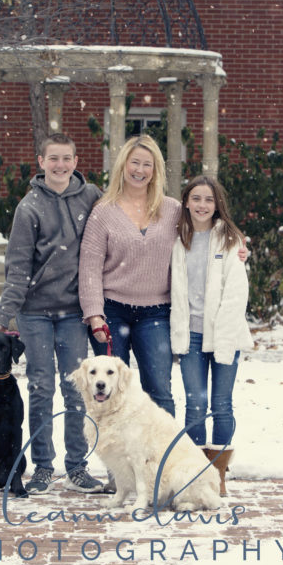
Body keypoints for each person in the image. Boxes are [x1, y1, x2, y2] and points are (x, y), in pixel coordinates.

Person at [0, 133, 105, 495]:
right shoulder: (29, 208)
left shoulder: (92, 197)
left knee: (76, 391)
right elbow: (18, 267)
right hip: (35, 314)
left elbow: (124, 227)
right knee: (40, 390)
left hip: (74, 313)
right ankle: (41, 467)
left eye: (66, 158)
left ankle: (78, 466)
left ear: (75, 159)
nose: (60, 165)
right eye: (53, 159)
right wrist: (2, 318)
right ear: (41, 162)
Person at [78, 135, 181, 416]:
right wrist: (94, 314)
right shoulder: (103, 212)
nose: (140, 169)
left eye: (147, 164)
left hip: (156, 313)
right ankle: (119, 458)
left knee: (159, 390)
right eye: (134, 162)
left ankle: (163, 455)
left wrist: (235, 246)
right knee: (110, 393)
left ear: (155, 169)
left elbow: (205, 234)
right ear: (123, 165)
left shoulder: (172, 210)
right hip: (111, 312)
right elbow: (89, 267)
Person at [169, 176, 253, 495]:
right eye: (196, 198)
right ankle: (195, 474)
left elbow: (236, 292)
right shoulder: (177, 238)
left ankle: (217, 475)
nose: (202, 205)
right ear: (186, 202)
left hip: (223, 334)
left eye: (209, 200)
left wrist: (226, 336)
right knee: (194, 404)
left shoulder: (231, 240)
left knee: (221, 404)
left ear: (217, 205)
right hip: (189, 334)